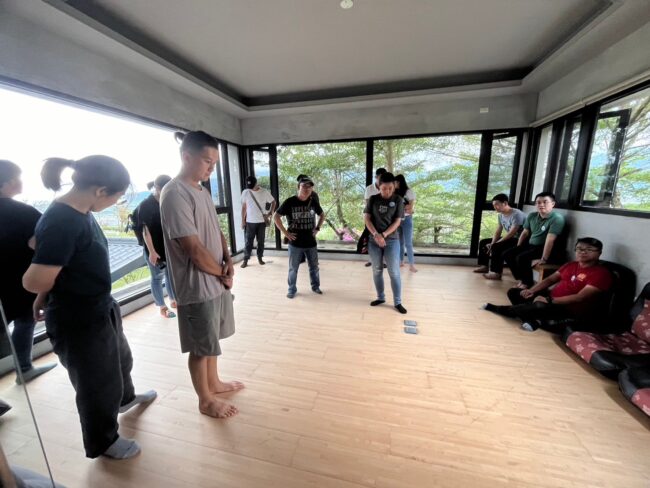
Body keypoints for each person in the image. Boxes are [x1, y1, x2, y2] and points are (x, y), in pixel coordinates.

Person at [23, 156, 156, 460]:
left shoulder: (81, 211)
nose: (114, 203)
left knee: (120, 360)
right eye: (115, 197)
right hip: (78, 317)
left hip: (98, 305)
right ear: (100, 191)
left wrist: (42, 296)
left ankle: (125, 399)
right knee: (96, 381)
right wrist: (38, 289)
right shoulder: (62, 220)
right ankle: (103, 441)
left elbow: (58, 263)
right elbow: (35, 277)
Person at [160, 131, 242, 419]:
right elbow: (193, 249)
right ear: (187, 157)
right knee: (200, 345)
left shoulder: (202, 190)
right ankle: (205, 400)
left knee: (212, 339)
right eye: (207, 162)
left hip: (215, 280)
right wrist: (222, 273)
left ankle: (214, 383)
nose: (211, 169)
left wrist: (228, 260)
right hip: (196, 285)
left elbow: (216, 230)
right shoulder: (174, 193)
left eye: (215, 163)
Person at [0, 160, 57, 384]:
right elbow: (44, 247)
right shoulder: (24, 213)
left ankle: (23, 368)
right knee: (25, 321)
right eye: (19, 177)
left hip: (5, 285)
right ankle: (23, 368)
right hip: (21, 282)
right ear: (9, 182)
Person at [483, 238, 612, 331]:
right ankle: (531, 319)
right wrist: (532, 291)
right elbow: (550, 280)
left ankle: (503, 310)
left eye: (589, 250)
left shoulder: (601, 273)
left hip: (568, 308)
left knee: (538, 305)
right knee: (514, 292)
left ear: (599, 253)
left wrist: (549, 300)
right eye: (579, 249)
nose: (583, 252)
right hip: (551, 299)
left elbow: (580, 297)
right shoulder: (571, 265)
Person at [274, 177, 325, 298]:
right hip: (295, 242)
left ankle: (315, 286)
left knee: (314, 267)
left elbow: (322, 215)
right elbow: (276, 216)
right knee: (293, 268)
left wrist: (317, 228)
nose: (307, 189)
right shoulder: (290, 201)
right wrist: (285, 233)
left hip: (311, 242)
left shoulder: (313, 202)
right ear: (298, 187)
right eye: (304, 186)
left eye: (309, 186)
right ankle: (291, 289)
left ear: (312, 189)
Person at [364, 172, 407, 314]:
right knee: (377, 270)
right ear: (379, 187)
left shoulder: (398, 200)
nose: (387, 191)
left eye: (390, 188)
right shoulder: (373, 199)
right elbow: (367, 219)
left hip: (392, 240)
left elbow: (397, 222)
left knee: (394, 272)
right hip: (374, 240)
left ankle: (397, 302)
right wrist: (376, 235)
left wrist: (384, 235)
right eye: (384, 188)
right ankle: (380, 297)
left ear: (394, 186)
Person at [503, 192, 566, 289]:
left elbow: (550, 240)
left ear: (553, 204)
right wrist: (518, 247)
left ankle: (527, 283)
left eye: (545, 202)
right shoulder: (532, 216)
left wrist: (544, 259)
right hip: (531, 246)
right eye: (538, 202)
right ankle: (522, 279)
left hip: (547, 248)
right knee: (507, 254)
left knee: (522, 258)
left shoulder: (557, 218)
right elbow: (524, 233)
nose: (541, 205)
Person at [136, 174, 177, 318]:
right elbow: (145, 230)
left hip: (167, 246)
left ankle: (173, 300)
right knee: (157, 277)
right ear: (157, 188)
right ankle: (162, 306)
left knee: (170, 275)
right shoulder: (146, 205)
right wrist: (152, 252)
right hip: (153, 248)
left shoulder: (166, 201)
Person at [474, 194, 526, 280]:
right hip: (511, 238)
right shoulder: (501, 215)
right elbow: (498, 231)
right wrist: (493, 242)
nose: (495, 207)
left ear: (505, 203)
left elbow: (512, 233)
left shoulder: (516, 214)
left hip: (520, 239)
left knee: (496, 246)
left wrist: (496, 244)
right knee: (484, 242)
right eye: (493, 205)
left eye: (497, 204)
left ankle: (496, 273)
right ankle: (484, 266)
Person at [240, 175, 275, 268]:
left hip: (261, 222)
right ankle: (245, 260)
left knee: (261, 242)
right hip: (249, 222)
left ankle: (260, 258)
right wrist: (242, 221)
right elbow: (244, 207)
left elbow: (273, 202)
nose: (250, 188)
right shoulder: (245, 192)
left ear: (256, 183)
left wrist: (270, 213)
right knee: (248, 242)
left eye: (252, 186)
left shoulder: (264, 192)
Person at [360, 168, 387, 266]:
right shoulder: (369, 189)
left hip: (384, 218)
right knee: (370, 238)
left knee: (384, 238)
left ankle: (384, 261)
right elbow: (368, 204)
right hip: (371, 218)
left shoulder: (387, 188)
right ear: (376, 177)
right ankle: (371, 260)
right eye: (380, 177)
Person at [395, 174, 417, 273]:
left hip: (407, 219)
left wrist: (403, 208)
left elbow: (410, 208)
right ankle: (401, 261)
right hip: (397, 219)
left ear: (399, 182)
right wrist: (404, 207)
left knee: (408, 243)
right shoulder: (394, 192)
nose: (394, 184)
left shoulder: (409, 192)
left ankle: (412, 265)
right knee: (400, 242)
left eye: (395, 182)